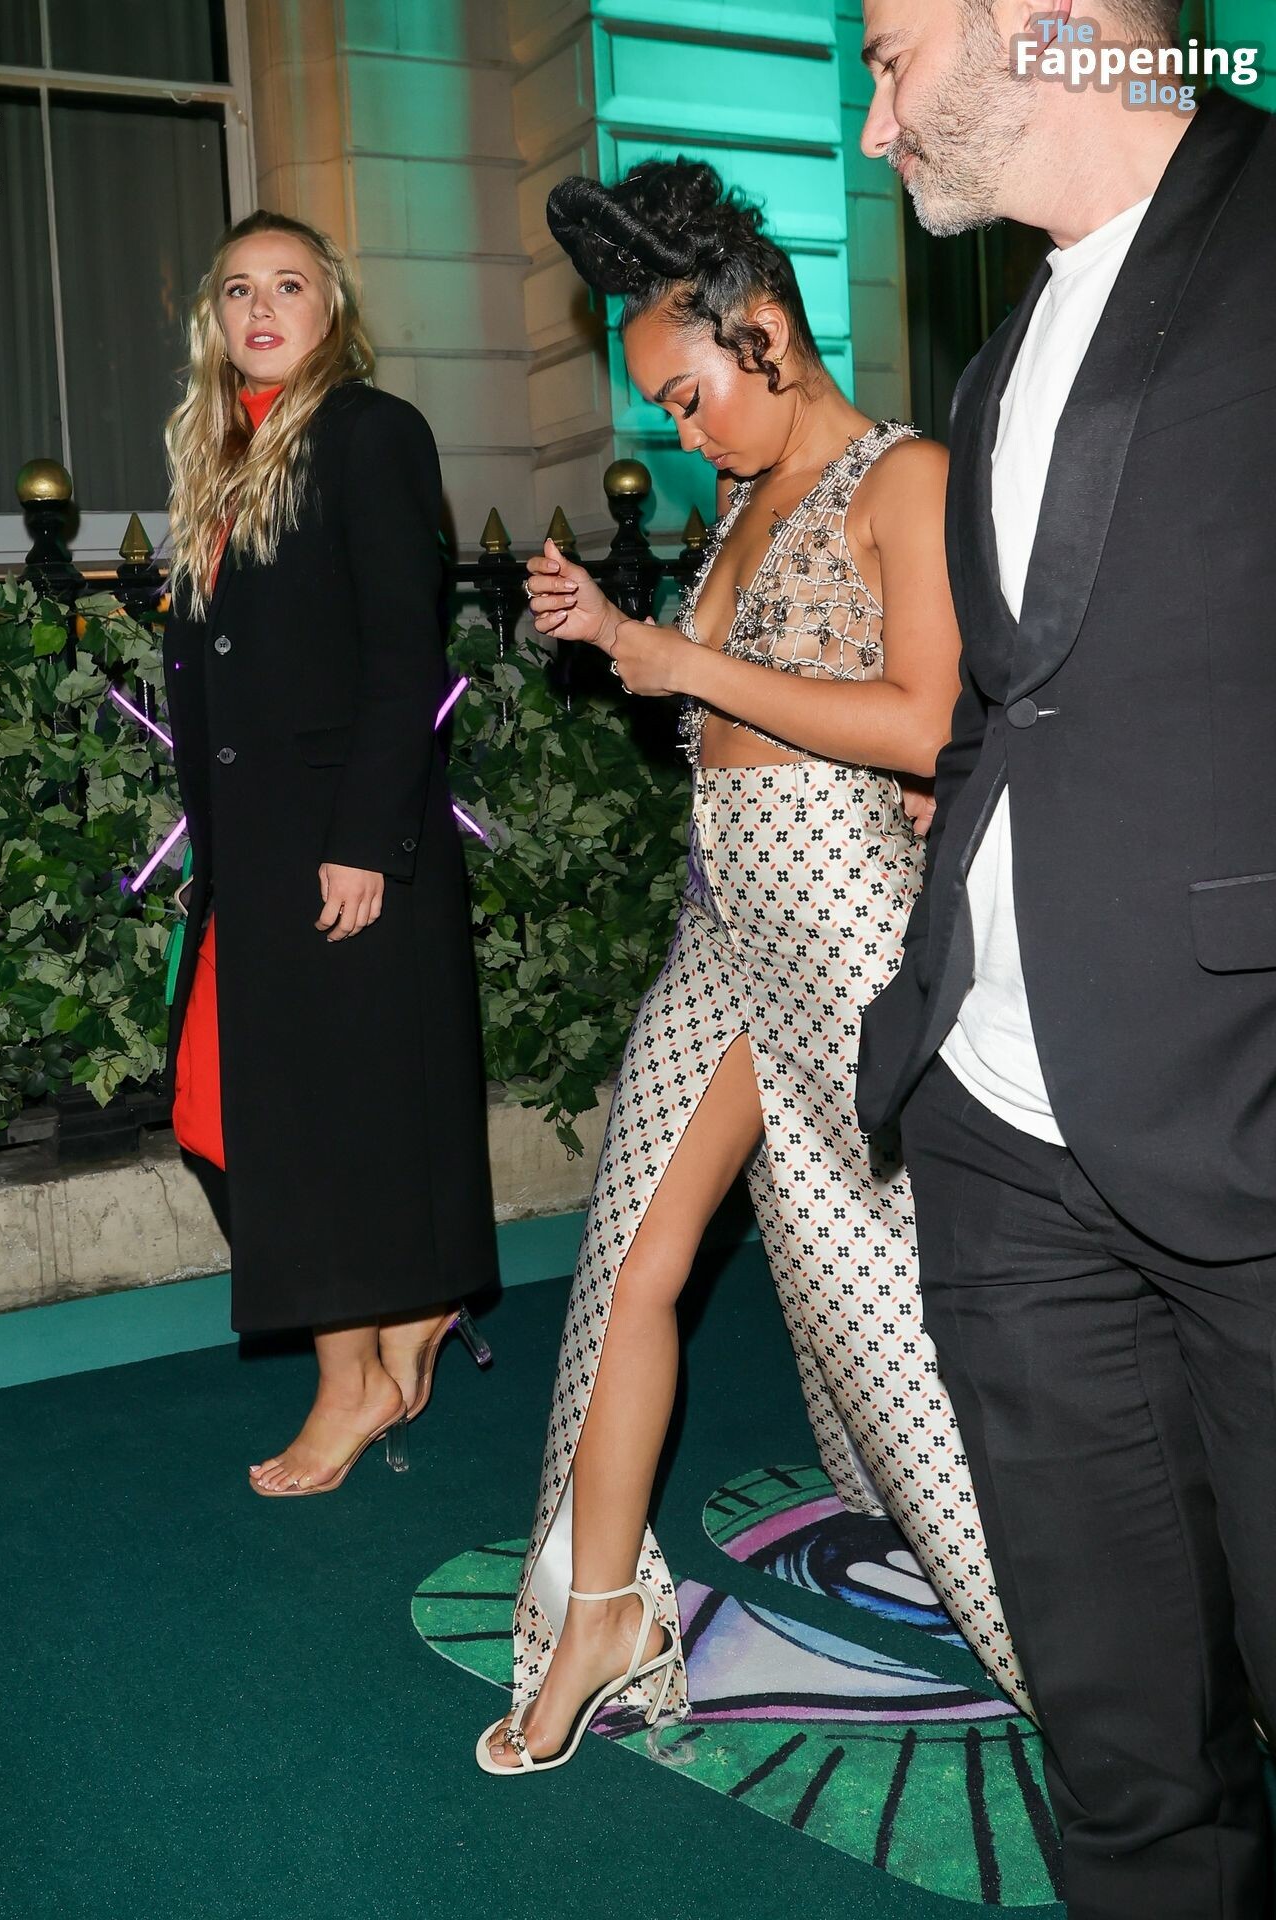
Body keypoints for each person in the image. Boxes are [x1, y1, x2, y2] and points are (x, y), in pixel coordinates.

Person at [476, 158, 1029, 1777]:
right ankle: (597, 1615)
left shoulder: (901, 478)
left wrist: (673, 657)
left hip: (846, 933)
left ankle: (1102, 1656)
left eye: (687, 395)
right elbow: (716, 707)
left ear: (764, 334)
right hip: (719, 929)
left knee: (898, 1331)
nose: (680, 431)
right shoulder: (739, 502)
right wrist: (617, 634)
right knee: (623, 1268)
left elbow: (925, 721)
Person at [854, 2, 1276, 1913]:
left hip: (1244, 1118)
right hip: (1003, 1143)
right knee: (1118, 1756)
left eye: (887, 58)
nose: (876, 128)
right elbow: (1003, 702)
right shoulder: (1000, 344)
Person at [162, 210, 496, 1495]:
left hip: (339, 844)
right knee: (235, 1111)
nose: (261, 308)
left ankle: (355, 1373)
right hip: (253, 853)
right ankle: (401, 1313)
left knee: (317, 1120)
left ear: (331, 310)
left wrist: (365, 840)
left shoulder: (368, 432)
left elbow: (405, 655)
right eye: (238, 288)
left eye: (288, 285)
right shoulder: (221, 455)